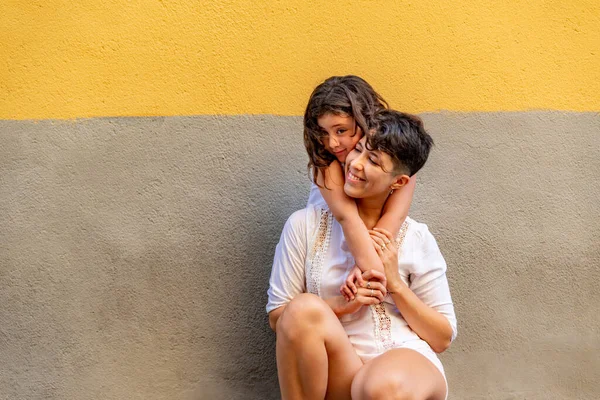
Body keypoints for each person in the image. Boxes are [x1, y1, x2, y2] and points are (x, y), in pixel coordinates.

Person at [266, 110, 457, 399]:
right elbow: (280, 318)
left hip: (403, 364)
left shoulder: (415, 237)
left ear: (399, 182)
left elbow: (442, 337)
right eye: (358, 149)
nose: (355, 164)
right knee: (303, 307)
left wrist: (394, 283)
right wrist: (343, 304)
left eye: (373, 161)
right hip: (338, 368)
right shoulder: (304, 226)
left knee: (382, 386)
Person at [303, 76, 416, 297]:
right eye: (323, 133)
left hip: (367, 250)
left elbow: (392, 219)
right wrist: (369, 269)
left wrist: (362, 265)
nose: (332, 143)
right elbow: (348, 219)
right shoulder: (326, 166)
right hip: (335, 247)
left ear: (366, 122)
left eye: (341, 131)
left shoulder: (397, 166)